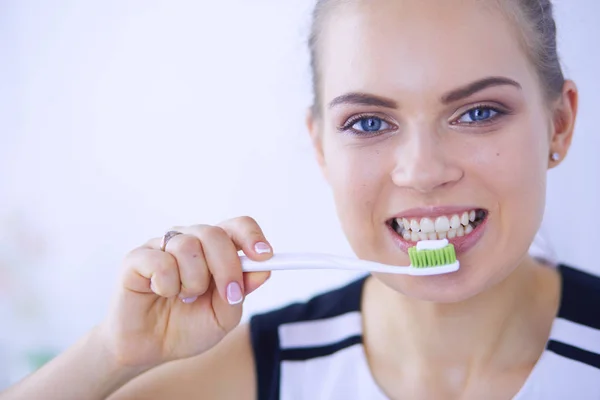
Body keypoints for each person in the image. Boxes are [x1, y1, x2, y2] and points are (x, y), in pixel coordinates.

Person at [2, 0, 599, 398]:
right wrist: (113, 353)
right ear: (320, 148)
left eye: (478, 112)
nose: (422, 172)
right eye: (369, 123)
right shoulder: (265, 368)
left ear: (560, 124)